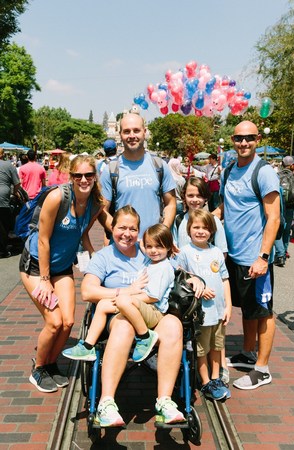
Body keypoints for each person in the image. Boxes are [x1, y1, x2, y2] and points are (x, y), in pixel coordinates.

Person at [76, 205, 203, 427]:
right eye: (121, 228)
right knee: (124, 325)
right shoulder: (103, 257)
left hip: (151, 315)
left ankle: (164, 402)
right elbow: (88, 291)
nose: (127, 234)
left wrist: (196, 279)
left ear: (138, 231)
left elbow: (174, 269)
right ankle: (106, 403)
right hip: (119, 314)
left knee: (173, 324)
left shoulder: (147, 251)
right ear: (111, 228)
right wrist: (125, 293)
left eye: (132, 229)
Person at [19, 155, 110, 393]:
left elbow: (83, 234)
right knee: (54, 322)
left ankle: (50, 364)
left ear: (94, 177)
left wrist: (96, 258)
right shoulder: (57, 197)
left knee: (68, 322)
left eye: (88, 175)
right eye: (78, 175)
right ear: (71, 176)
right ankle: (38, 368)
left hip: (63, 267)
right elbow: (43, 240)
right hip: (37, 267)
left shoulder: (95, 203)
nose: (83, 180)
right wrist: (46, 280)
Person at [215, 120, 280, 390]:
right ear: (233, 139)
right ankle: (248, 352)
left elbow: (273, 217)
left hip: (256, 257)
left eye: (250, 138)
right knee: (248, 309)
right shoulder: (229, 170)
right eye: (240, 138)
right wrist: (207, 219)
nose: (244, 143)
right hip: (233, 255)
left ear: (256, 140)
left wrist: (263, 257)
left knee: (263, 312)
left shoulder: (264, 173)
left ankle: (262, 369)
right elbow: (224, 205)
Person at [62, 220, 175, 363]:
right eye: (149, 246)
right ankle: (87, 346)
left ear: (169, 247)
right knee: (103, 304)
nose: (153, 251)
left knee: (122, 299)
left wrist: (127, 297)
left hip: (154, 311)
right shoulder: (151, 261)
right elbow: (143, 244)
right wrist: (141, 242)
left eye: (159, 247)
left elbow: (152, 297)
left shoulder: (163, 268)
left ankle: (145, 336)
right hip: (142, 306)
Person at [176, 209, 232, 400]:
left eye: (205, 228)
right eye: (196, 227)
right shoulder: (185, 252)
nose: (201, 231)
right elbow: (180, 277)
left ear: (212, 231)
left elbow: (225, 279)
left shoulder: (216, 251)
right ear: (189, 229)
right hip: (200, 313)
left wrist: (228, 306)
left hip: (218, 311)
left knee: (217, 346)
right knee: (201, 349)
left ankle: (216, 377)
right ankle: (205, 380)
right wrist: (196, 283)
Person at [100, 113, 176, 238]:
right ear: (120, 134)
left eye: (136, 130)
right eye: (126, 131)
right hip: (123, 248)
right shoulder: (111, 170)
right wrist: (121, 234)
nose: (132, 136)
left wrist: (162, 233)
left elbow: (170, 203)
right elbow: (102, 210)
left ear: (144, 132)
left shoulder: (159, 165)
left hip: (153, 248)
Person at [172, 177, 228, 255]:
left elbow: (222, 252)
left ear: (205, 197)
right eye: (190, 196)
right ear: (184, 196)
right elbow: (175, 249)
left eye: (199, 196)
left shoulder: (214, 221)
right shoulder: (178, 220)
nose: (195, 200)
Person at [274, 156, 294, 266]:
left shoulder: (276, 176)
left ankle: (279, 254)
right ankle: (284, 252)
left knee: (277, 229)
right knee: (286, 230)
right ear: (292, 165)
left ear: (283, 164)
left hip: (278, 206)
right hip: (291, 206)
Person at [0, 147, 21, 258]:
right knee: (3, 225)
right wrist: (14, 193)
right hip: (3, 198)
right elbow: (17, 183)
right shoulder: (8, 166)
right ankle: (3, 250)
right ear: (3, 155)